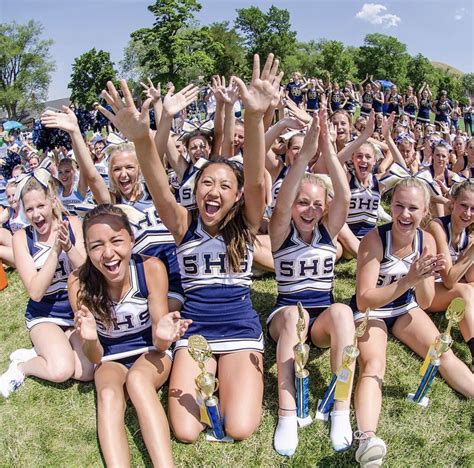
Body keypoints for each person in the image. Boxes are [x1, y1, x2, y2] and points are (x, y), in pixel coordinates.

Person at [98, 54, 283, 442]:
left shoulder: (247, 221)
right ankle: (206, 372)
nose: (213, 191)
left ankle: (227, 376)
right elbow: (158, 185)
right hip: (194, 329)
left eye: (223, 186)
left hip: (238, 328)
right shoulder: (182, 223)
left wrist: (252, 118)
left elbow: (253, 179)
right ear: (195, 189)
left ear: (235, 197)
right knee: (184, 431)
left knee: (240, 427)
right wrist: (140, 137)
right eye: (205, 184)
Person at [351, 177, 474, 467]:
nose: (405, 214)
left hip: (405, 307)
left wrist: (420, 280)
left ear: (424, 212)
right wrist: (408, 279)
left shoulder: (427, 241)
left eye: (413, 209)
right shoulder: (375, 239)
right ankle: (367, 439)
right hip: (374, 312)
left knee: (442, 354)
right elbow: (363, 299)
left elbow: (428, 301)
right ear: (390, 207)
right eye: (399, 206)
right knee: (374, 365)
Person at [68, 204, 191, 467]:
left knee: (137, 380)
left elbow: (159, 342)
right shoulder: (78, 283)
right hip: (110, 356)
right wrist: (89, 338)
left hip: (150, 350)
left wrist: (163, 334)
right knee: (109, 396)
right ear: (87, 250)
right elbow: (96, 356)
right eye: (96, 245)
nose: (108, 253)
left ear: (132, 240)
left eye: (116, 241)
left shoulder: (151, 269)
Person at [268, 109, 356, 456]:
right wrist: (304, 156)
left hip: (319, 321)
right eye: (302, 203)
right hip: (285, 317)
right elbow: (283, 199)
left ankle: (340, 409)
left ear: (324, 208)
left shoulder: (327, 231)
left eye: (316, 204)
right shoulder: (279, 231)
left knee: (342, 312)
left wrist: (330, 152)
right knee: (292, 316)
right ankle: (287, 413)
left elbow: (345, 198)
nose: (308, 209)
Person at [41, 109, 184, 311]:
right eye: (117, 169)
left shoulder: (155, 192)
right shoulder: (113, 203)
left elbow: (156, 152)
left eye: (129, 167)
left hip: (175, 265)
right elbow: (91, 175)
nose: (123, 174)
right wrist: (75, 132)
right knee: (165, 315)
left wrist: (163, 114)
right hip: (143, 273)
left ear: (140, 170)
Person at [0, 168, 93, 397]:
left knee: (87, 371)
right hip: (44, 313)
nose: (35, 214)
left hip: (74, 309)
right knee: (61, 370)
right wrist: (54, 252)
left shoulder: (72, 223)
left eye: (40, 206)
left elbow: (86, 271)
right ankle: (23, 365)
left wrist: (69, 248)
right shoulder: (22, 238)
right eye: (29, 209)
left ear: (52, 201)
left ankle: (49, 348)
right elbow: (36, 292)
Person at [426, 179, 474, 367]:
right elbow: (449, 279)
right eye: (463, 206)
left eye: (473, 209)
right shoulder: (437, 227)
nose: (468, 213)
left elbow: (470, 278)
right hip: (423, 292)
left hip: (442, 291)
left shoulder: (465, 234)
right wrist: (471, 252)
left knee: (469, 289)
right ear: (452, 203)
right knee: (464, 291)